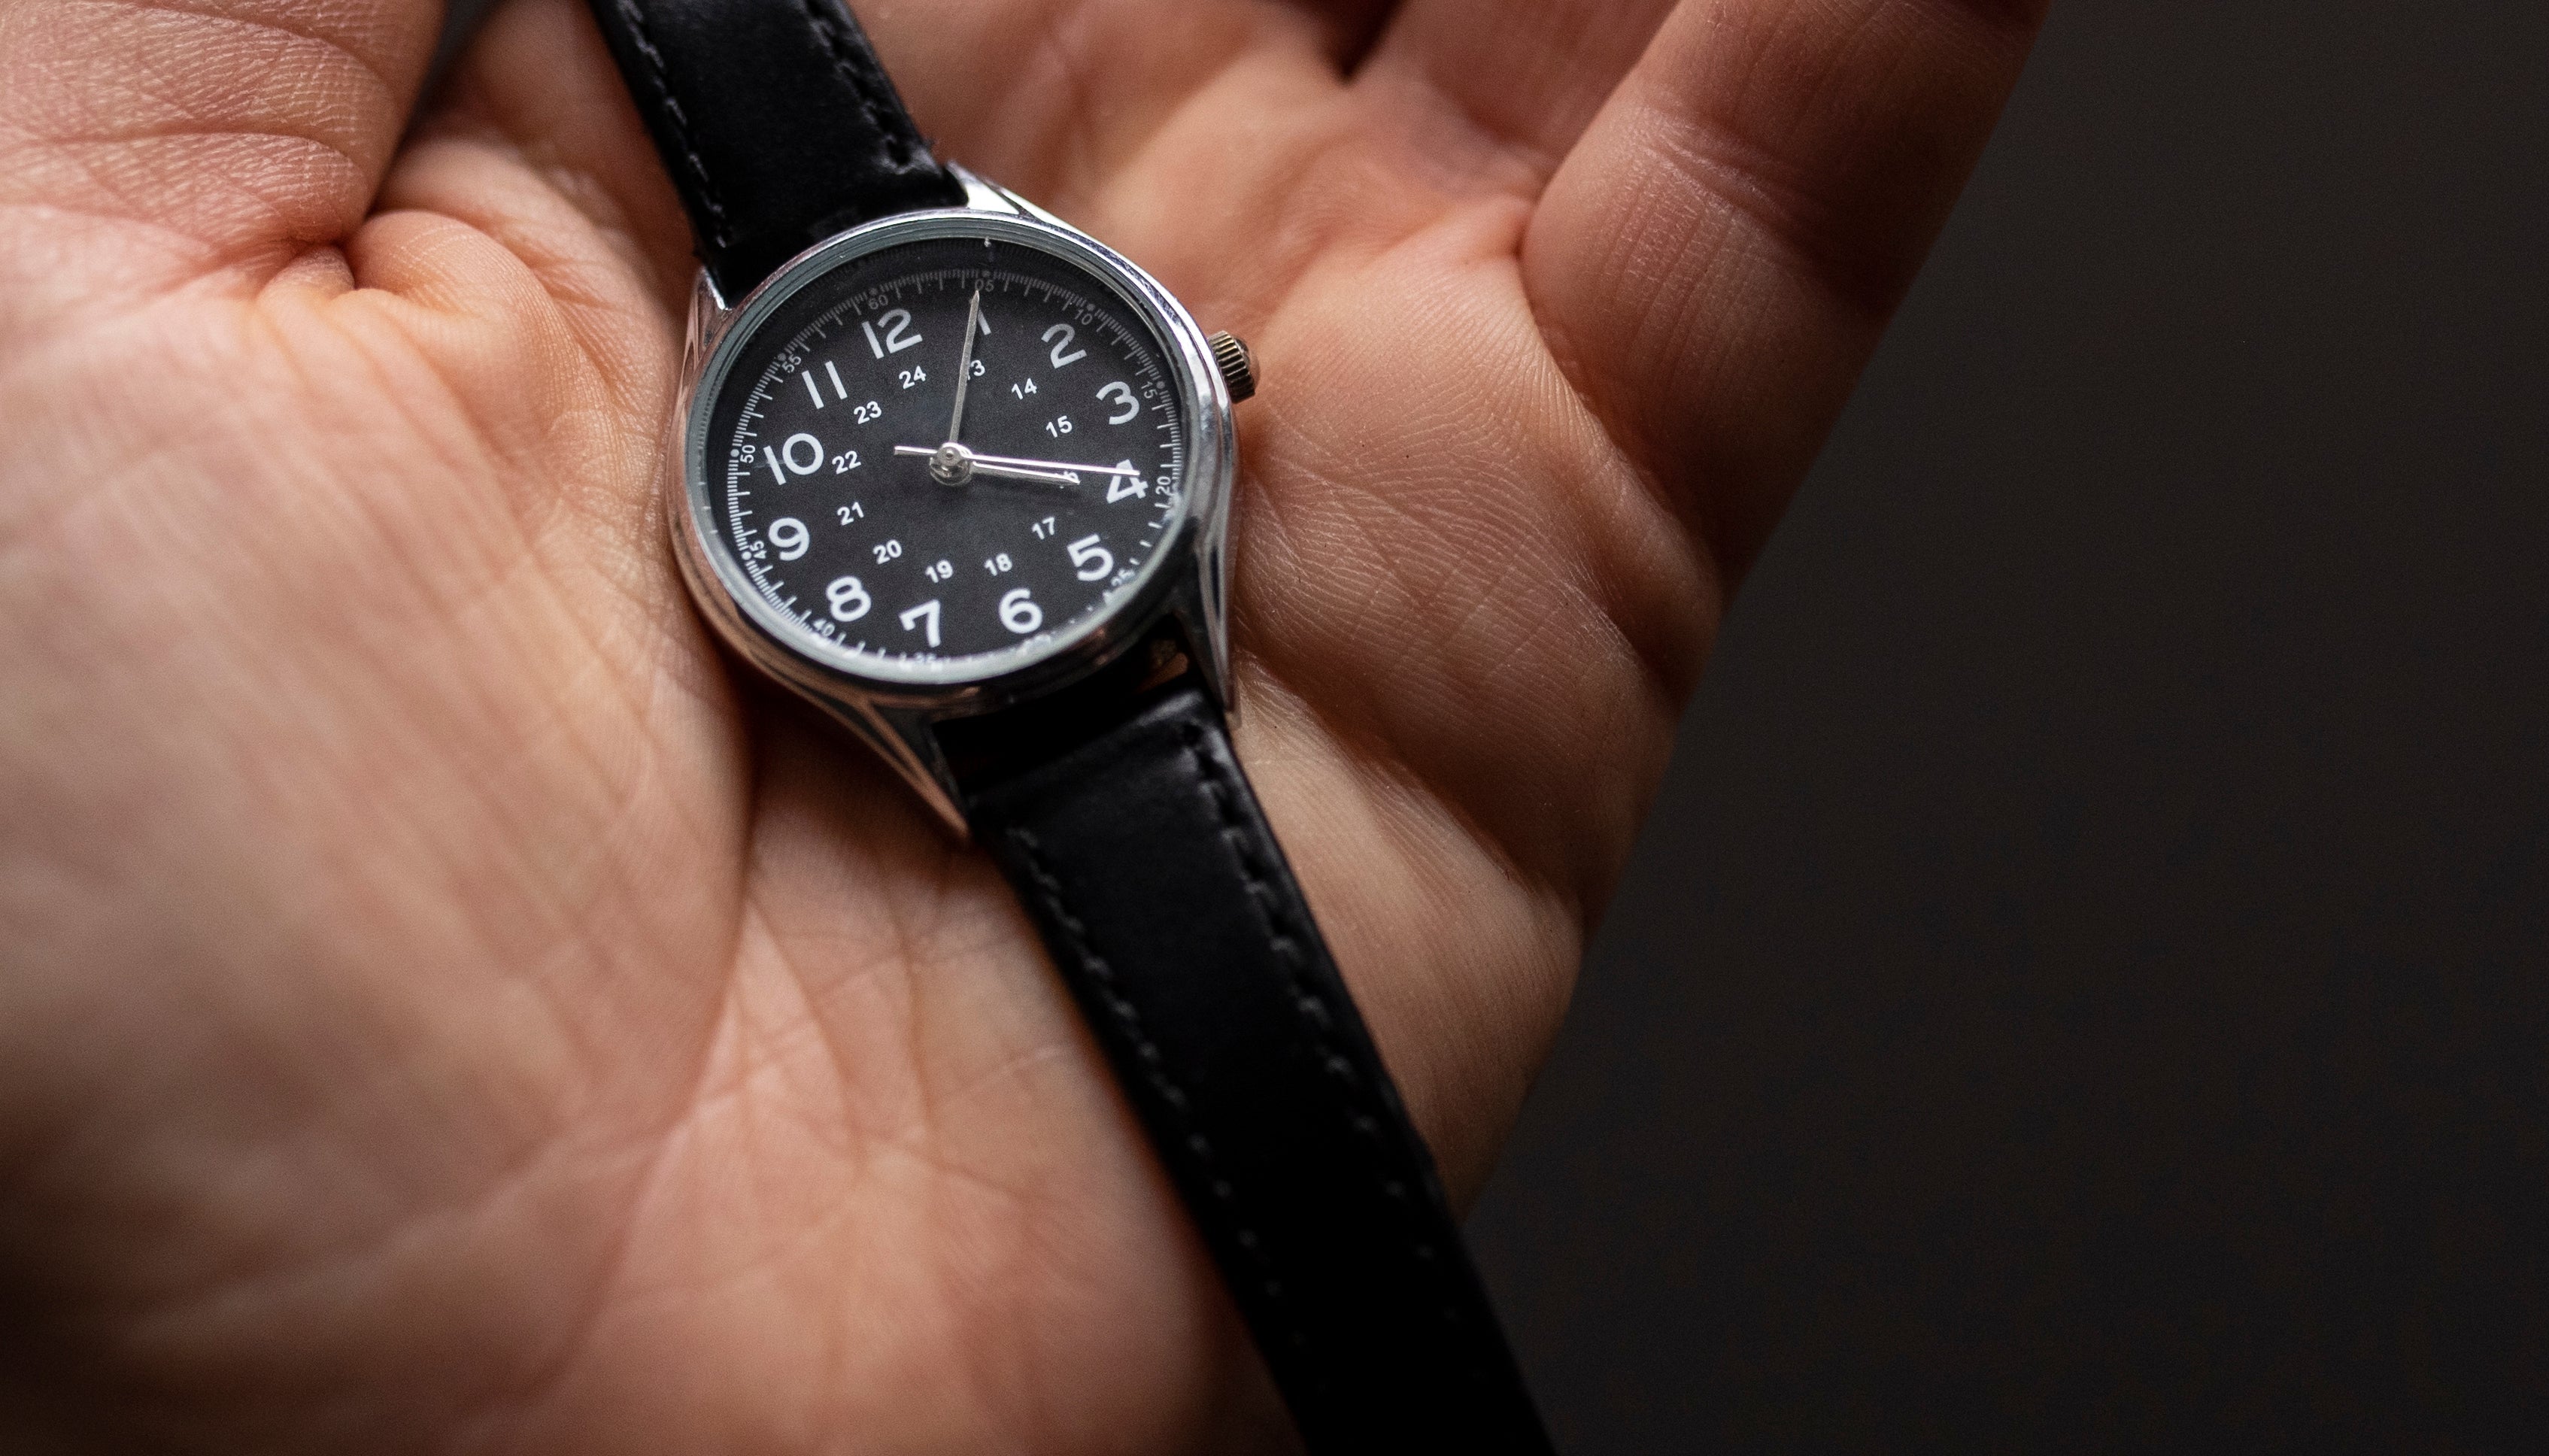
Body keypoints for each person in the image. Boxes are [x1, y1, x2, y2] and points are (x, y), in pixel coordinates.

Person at [0, 0, 2044, 1446]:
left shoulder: (1062, 407)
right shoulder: (815, 578)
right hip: (970, 712)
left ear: (1185, 366)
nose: (953, 462)